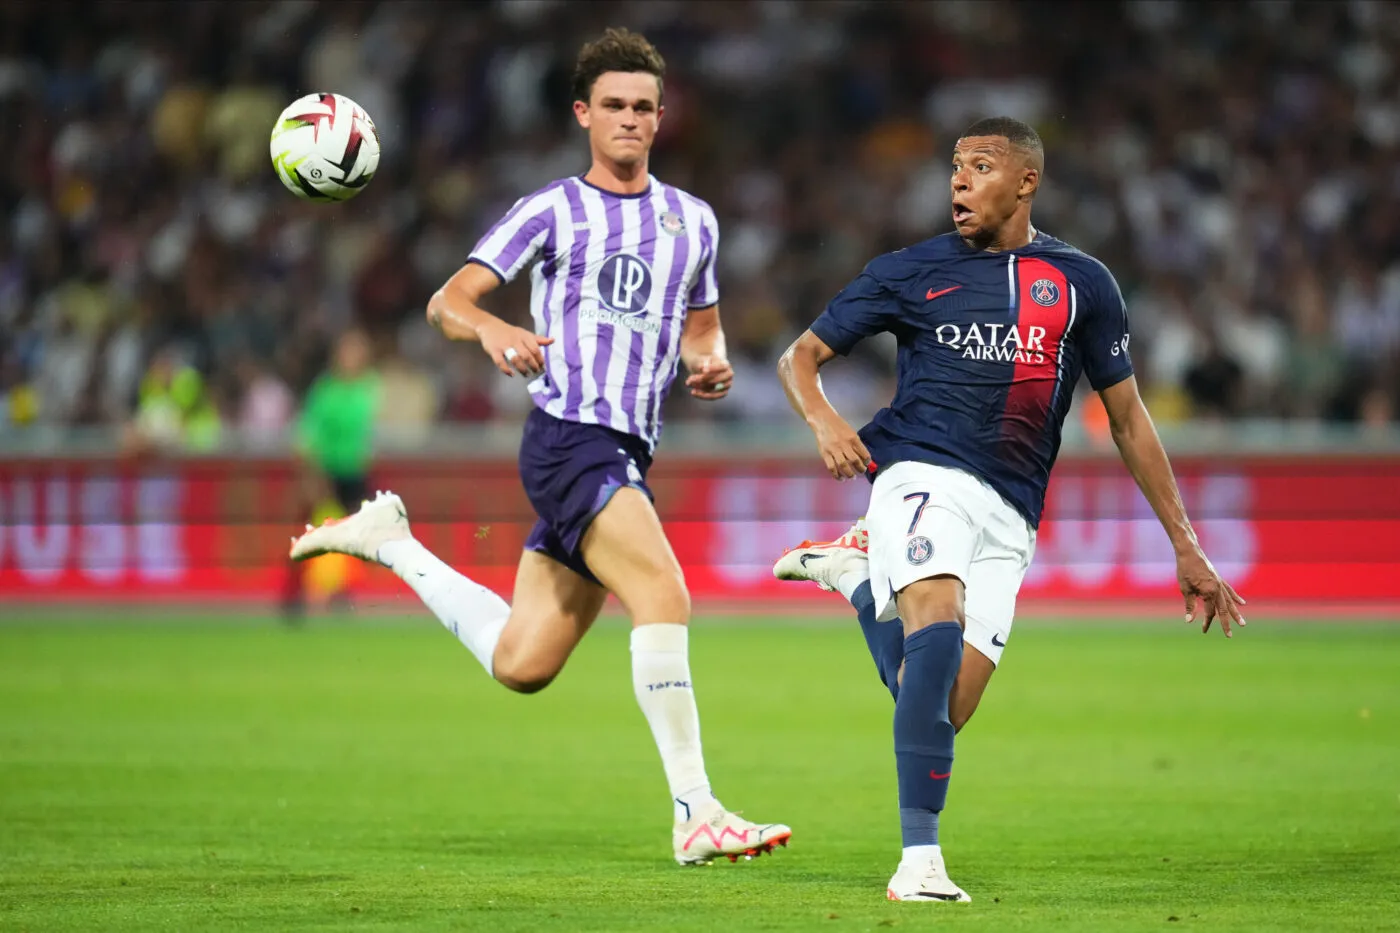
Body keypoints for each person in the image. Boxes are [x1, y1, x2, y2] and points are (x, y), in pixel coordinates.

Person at [288, 28, 790, 866]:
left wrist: (710, 364)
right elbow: (448, 301)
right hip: (570, 438)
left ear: (661, 119)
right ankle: (696, 811)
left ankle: (393, 544)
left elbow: (703, 328)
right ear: (583, 115)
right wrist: (491, 329)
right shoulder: (552, 209)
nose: (629, 120)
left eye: (643, 107)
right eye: (614, 106)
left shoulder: (692, 223)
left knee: (524, 662)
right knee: (664, 593)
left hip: (626, 448)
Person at [772, 117, 1245, 902]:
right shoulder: (909, 270)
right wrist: (825, 422)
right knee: (936, 630)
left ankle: (856, 577)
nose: (958, 181)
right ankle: (919, 861)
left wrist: (1185, 544)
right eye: (954, 167)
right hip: (922, 473)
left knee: (942, 703)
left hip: (1013, 509)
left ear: (1027, 181)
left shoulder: (1083, 283)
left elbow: (1128, 419)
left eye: (981, 166)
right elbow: (801, 356)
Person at [282, 328, 381, 619]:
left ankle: (341, 593)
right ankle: (303, 596)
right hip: (327, 475)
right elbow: (307, 438)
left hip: (358, 474)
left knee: (357, 538)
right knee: (321, 535)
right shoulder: (326, 391)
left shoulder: (371, 388)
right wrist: (312, 478)